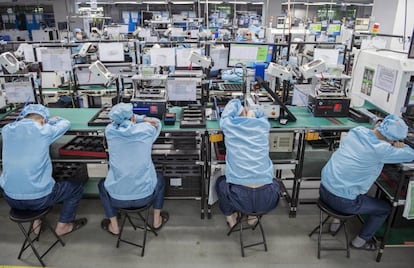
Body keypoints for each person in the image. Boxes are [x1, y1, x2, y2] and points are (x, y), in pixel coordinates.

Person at [320, 114, 414, 250]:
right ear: (391, 139)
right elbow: (411, 154)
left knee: (346, 186)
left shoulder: (356, 132)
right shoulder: (383, 149)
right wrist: (399, 147)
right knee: (384, 209)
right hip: (343, 202)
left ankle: (336, 221)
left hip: (324, 188)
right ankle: (360, 241)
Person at [0, 104, 87, 236]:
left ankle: (36, 225)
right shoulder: (44, 130)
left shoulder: (6, 130)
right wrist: (54, 120)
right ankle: (63, 226)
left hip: (10, 197)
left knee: (32, 181)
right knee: (76, 188)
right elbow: (65, 123)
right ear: (42, 121)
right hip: (38, 199)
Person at [99, 103, 168, 235]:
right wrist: (143, 119)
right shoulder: (146, 130)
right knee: (160, 179)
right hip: (145, 196)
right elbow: (157, 122)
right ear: (133, 118)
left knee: (102, 185)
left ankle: (114, 226)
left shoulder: (110, 131)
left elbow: (116, 123)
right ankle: (156, 220)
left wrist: (129, 119)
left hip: (116, 198)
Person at [215, 99, 281, 227]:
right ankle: (252, 217)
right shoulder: (263, 125)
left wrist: (238, 107)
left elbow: (227, 113)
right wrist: (252, 112)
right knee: (274, 180)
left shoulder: (229, 125)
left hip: (238, 198)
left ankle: (231, 219)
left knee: (221, 183)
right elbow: (263, 113)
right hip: (268, 198)